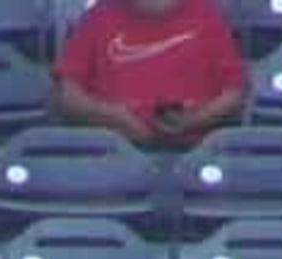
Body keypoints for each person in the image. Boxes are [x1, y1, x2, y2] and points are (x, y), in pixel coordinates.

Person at [52, 0, 249, 149]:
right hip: (114, 151)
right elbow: (67, 96)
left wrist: (196, 119)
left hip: (195, 152)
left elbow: (235, 92)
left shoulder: (207, 15)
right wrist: (114, 117)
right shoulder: (97, 17)